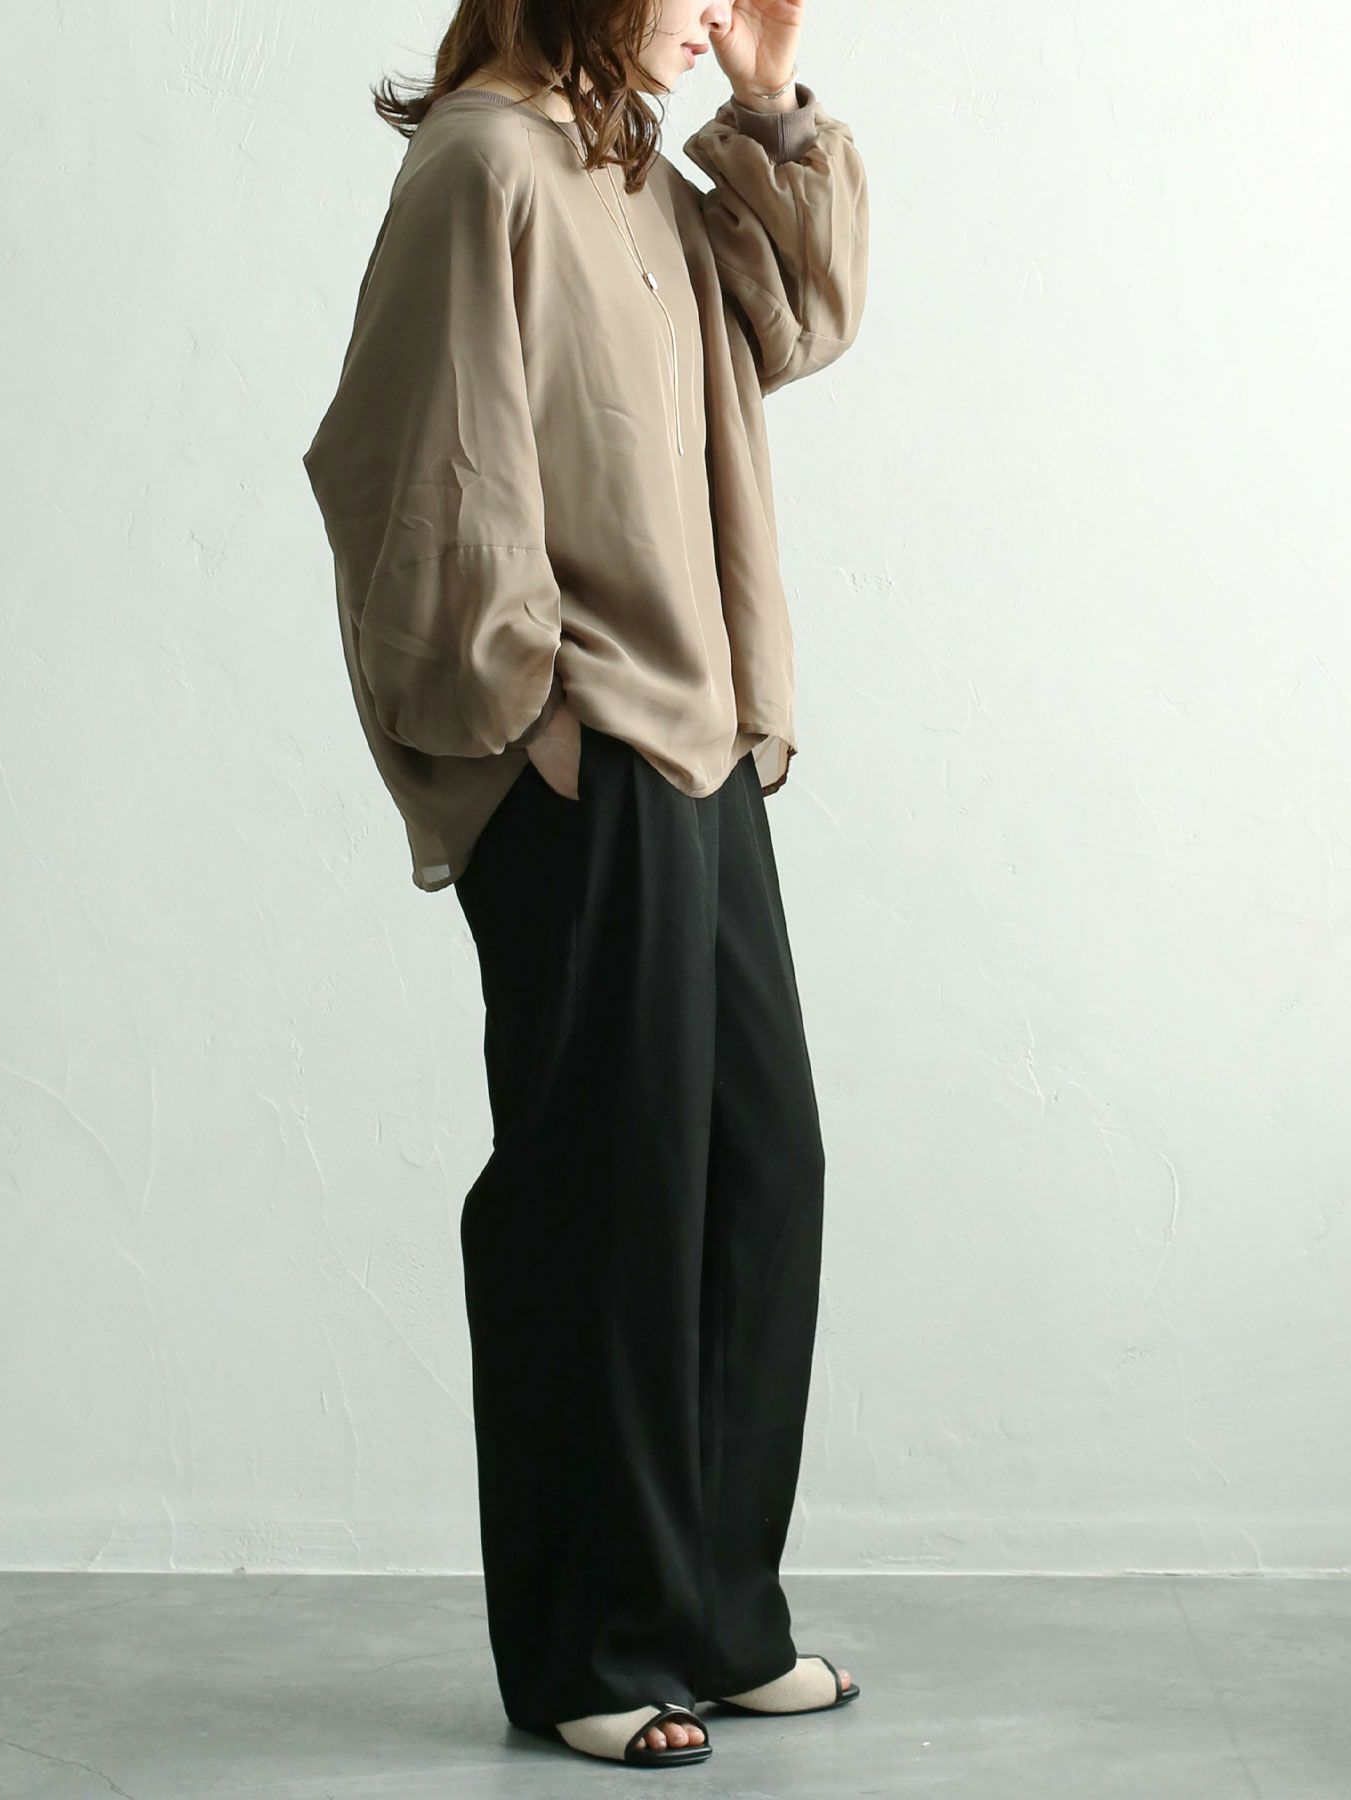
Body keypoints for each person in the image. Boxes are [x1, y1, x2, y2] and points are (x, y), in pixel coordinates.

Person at [302, 0, 868, 1770]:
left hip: (707, 743)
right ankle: (591, 1647)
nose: (719, 9)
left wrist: (770, 101)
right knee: (601, 1198)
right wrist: (529, 713)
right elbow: (403, 467)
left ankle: (718, 1612)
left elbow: (803, 318)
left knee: (754, 1171)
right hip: (589, 753)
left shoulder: (632, 168)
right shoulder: (484, 165)